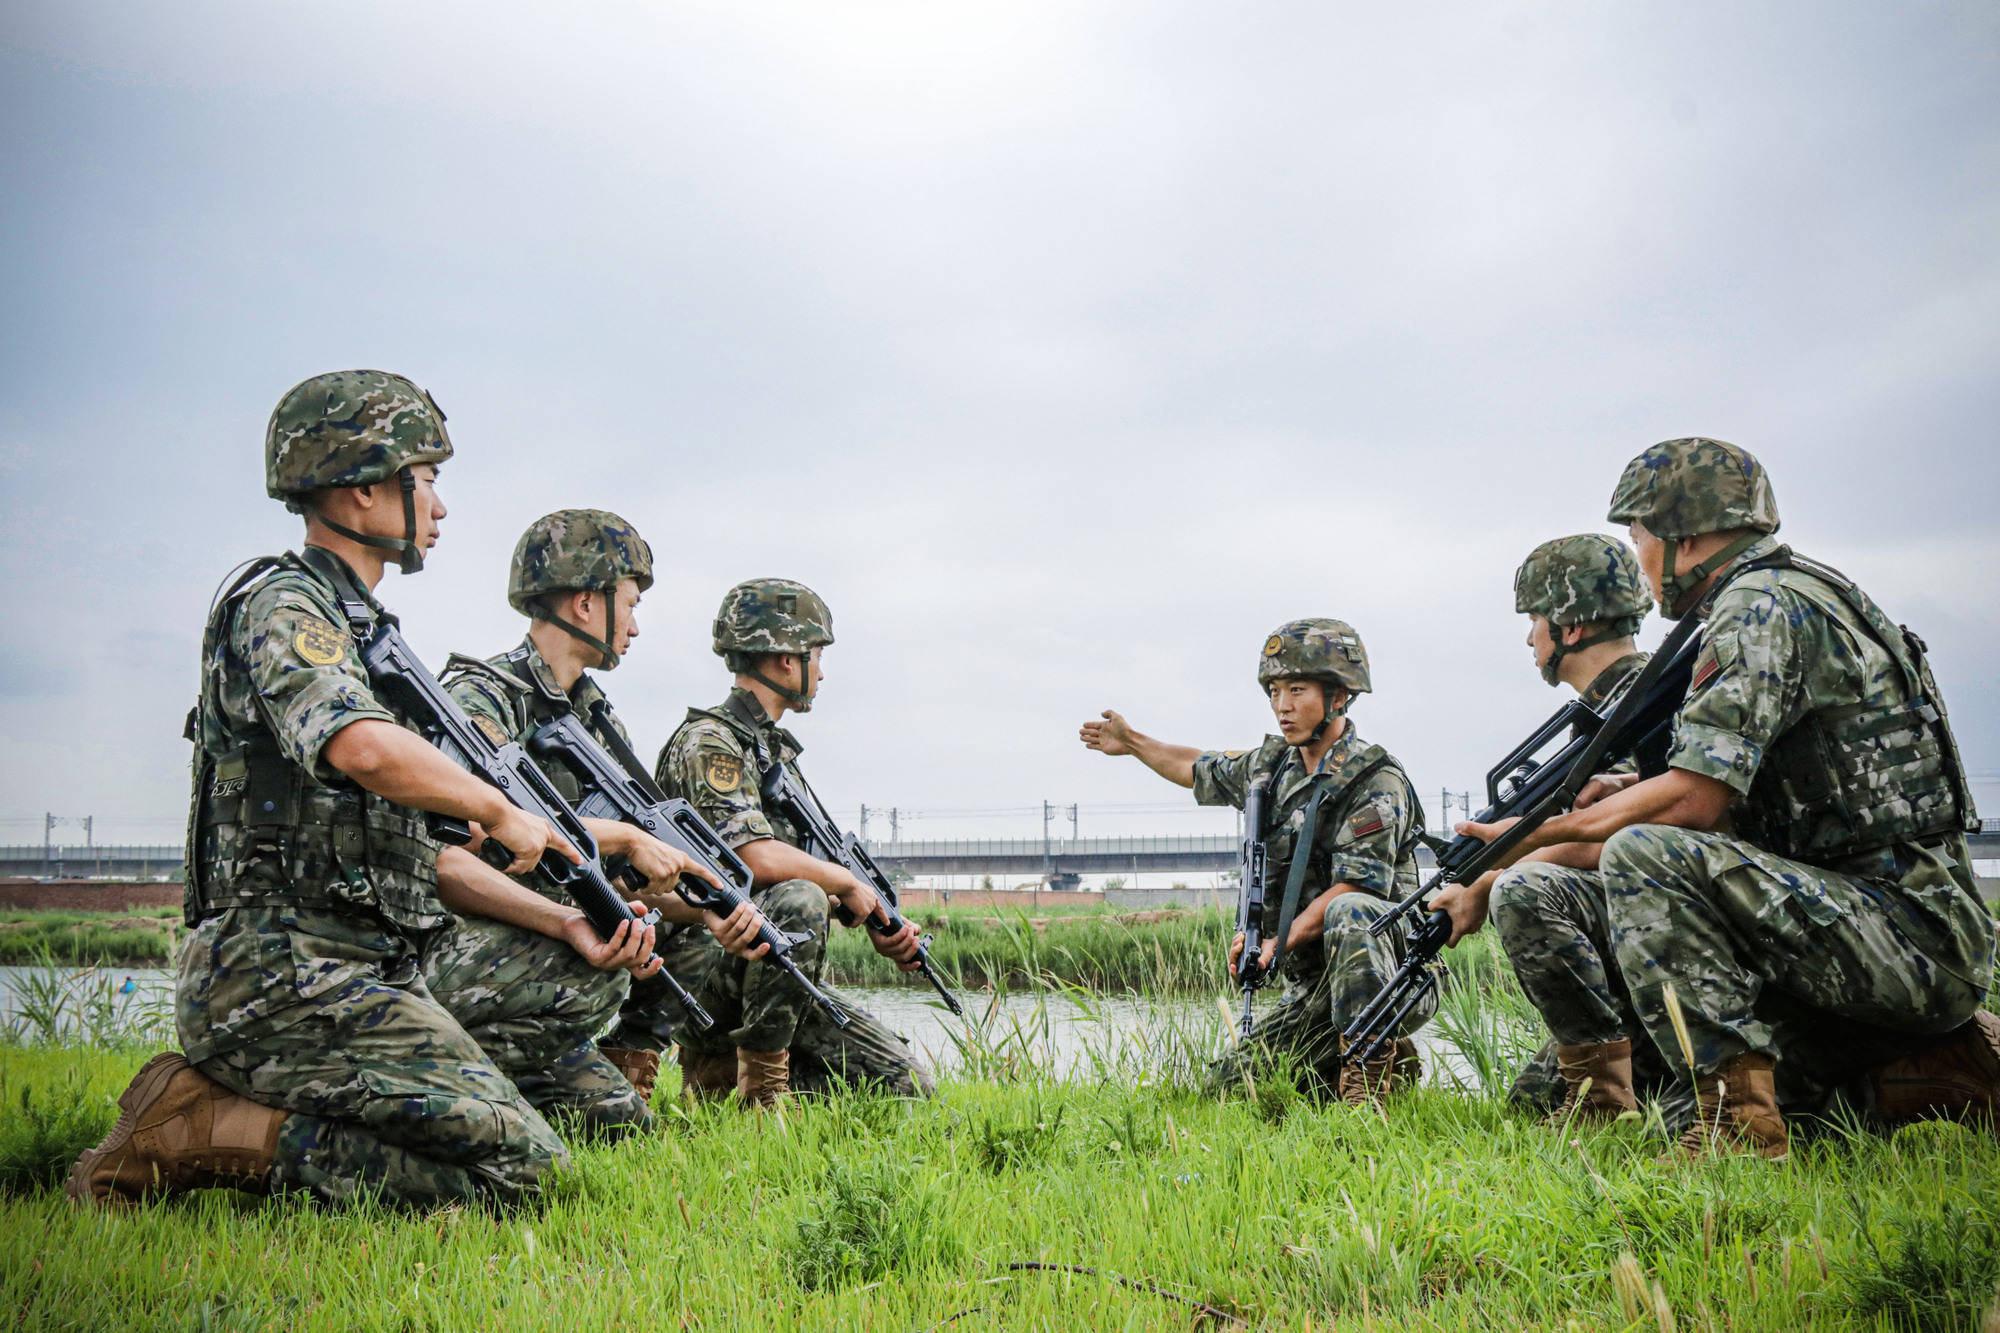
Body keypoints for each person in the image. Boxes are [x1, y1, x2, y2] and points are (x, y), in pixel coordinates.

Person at [69, 370, 658, 1210]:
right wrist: (497, 806)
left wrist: (562, 913)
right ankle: (198, 1128)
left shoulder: (370, 638)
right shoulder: (285, 605)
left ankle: (261, 1116)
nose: (440, 507)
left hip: (369, 967)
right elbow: (358, 745)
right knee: (527, 1179)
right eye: (426, 480)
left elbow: (432, 856)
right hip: (276, 972)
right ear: (361, 488)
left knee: (537, 1163)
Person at [1450, 437, 1996, 1158]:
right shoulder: (1791, 590)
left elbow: (1693, 807)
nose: (1639, 557)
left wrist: (1534, 833)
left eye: (1639, 535)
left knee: (1647, 853)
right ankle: (1922, 1072)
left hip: (1906, 930)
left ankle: (1736, 1125)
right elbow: (1750, 793)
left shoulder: (1758, 606)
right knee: (1571, 1089)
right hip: (1858, 913)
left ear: (1683, 536)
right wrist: (1619, 795)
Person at [429, 508, 771, 1134]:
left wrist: (707, 909)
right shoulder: (481, 698)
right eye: (630, 604)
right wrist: (624, 843)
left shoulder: (596, 720)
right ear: (586, 603)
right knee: (602, 949)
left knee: (622, 1126)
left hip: (542, 947)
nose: (635, 626)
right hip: (466, 942)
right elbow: (452, 857)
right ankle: (444, 1075)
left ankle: (612, 1071)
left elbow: (609, 873)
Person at [1080, 619, 1432, 1106]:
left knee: (1350, 911)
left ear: (1339, 696)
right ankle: (1367, 1060)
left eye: (1297, 690)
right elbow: (1194, 765)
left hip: (1394, 974)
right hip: (1316, 985)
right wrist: (1132, 742)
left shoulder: (1375, 780)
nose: (1282, 705)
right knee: (1230, 1089)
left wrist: (1276, 943)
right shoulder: (1271, 768)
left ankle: (1366, 1091)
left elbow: (1356, 889)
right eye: (1274, 691)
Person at [613, 578, 931, 1107]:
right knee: (803, 895)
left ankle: (722, 1082)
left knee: (902, 1087)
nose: (821, 672)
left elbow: (788, 881)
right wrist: (844, 883)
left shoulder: (771, 752)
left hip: (764, 969)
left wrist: (875, 919)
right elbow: (753, 859)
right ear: (786, 658)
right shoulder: (711, 743)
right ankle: (757, 1096)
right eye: (816, 656)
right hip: (703, 966)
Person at [1439, 533, 1676, 1123]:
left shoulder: (1634, 706)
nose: (1529, 638)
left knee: (1523, 890)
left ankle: (1606, 1105)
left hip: (1665, 940)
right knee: (1528, 1105)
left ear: (1569, 628)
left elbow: (1619, 838)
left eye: (1535, 620)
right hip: (1646, 935)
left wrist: (1488, 880)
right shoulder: (1621, 697)